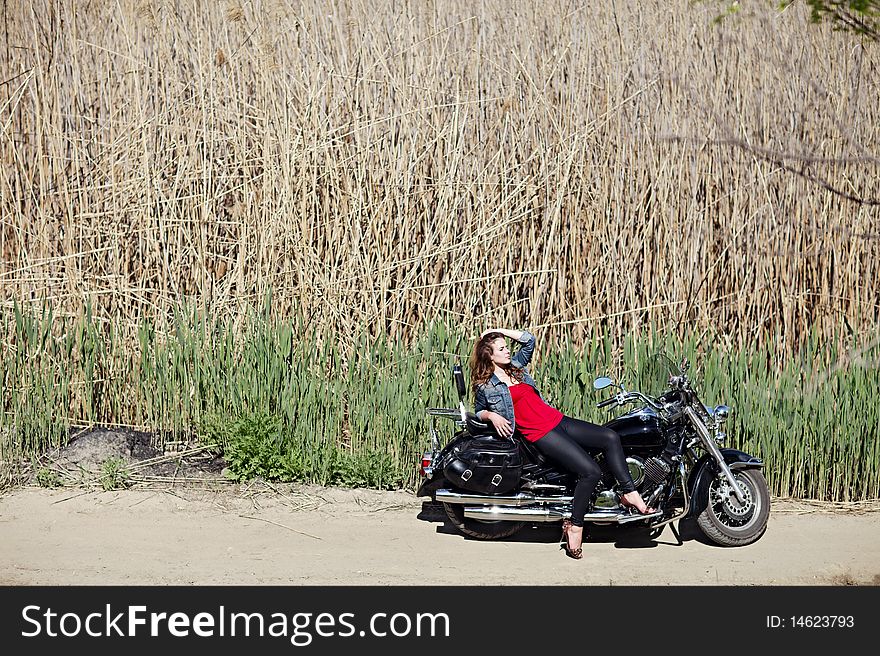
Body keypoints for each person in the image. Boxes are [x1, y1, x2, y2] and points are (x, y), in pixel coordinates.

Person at [470, 327, 656, 560]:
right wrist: (492, 416)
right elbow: (478, 412)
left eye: (506, 347)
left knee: (610, 437)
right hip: (540, 433)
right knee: (590, 472)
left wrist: (499, 331)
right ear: (489, 356)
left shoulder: (515, 367)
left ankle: (630, 492)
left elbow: (529, 341)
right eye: (501, 349)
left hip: (557, 420)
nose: (507, 351)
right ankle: (575, 526)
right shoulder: (487, 385)